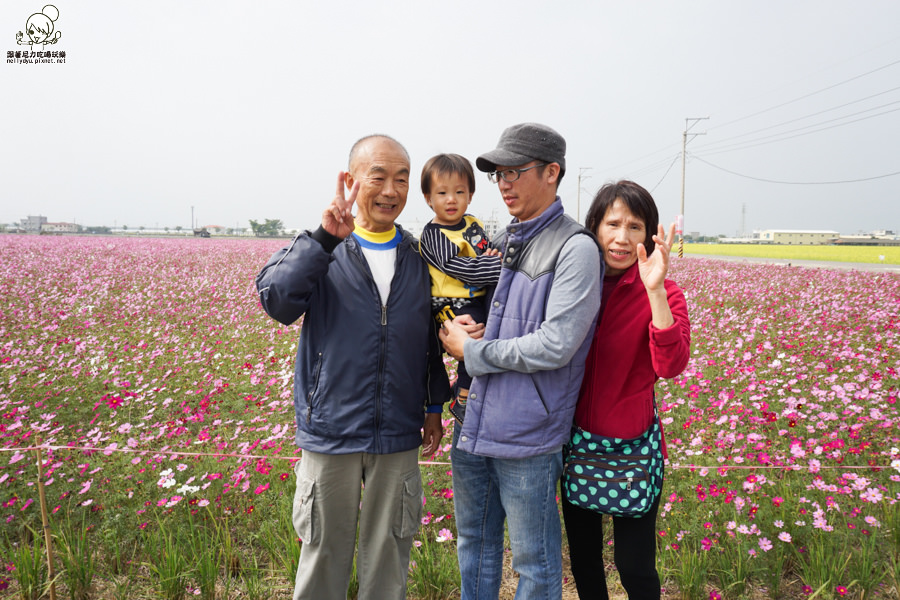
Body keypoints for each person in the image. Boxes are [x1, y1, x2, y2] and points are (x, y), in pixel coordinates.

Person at [255, 134, 451, 600]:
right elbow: (278, 300)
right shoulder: (324, 249)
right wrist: (323, 239)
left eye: (401, 180)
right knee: (323, 553)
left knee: (389, 556)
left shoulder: (420, 256)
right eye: (378, 177)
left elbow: (429, 340)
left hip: (398, 432)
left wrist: (433, 406)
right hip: (332, 428)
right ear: (351, 180)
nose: (390, 191)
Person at [440, 123, 603, 600]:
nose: (504, 183)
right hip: (474, 420)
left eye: (515, 171)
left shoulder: (575, 248)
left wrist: (474, 351)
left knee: (534, 560)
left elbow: (556, 344)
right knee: (474, 544)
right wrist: (476, 331)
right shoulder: (508, 238)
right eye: (498, 174)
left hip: (528, 433)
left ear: (552, 173)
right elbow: (515, 324)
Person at [561, 180, 691, 600]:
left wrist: (654, 290)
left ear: (650, 235)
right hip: (574, 442)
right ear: (593, 227)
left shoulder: (665, 291)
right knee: (583, 558)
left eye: (634, 226)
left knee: (634, 565)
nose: (621, 238)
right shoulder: (573, 283)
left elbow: (670, 366)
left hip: (632, 448)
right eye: (611, 223)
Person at [418, 153, 502, 423]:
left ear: (471, 195)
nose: (451, 199)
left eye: (459, 192)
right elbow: (458, 267)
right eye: (442, 193)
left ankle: (468, 389)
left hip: (474, 299)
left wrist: (488, 260)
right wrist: (498, 269)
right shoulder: (433, 235)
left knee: (493, 334)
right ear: (428, 198)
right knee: (473, 340)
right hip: (445, 303)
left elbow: (485, 251)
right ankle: (462, 396)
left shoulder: (472, 223)